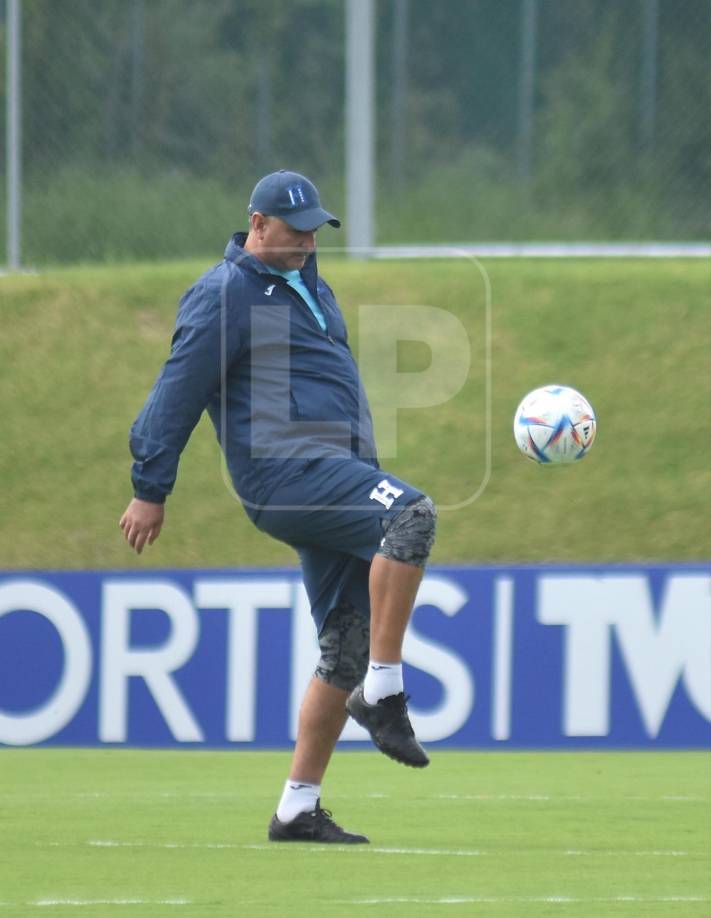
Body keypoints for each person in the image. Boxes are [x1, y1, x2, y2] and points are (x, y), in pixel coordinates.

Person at [119, 170, 437, 844]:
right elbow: (174, 392)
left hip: (333, 473)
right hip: (284, 474)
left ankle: (297, 805)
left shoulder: (309, 282)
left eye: (312, 230)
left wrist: (359, 467)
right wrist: (151, 488)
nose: (303, 242)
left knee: (345, 643)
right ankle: (384, 688)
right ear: (255, 224)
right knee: (409, 516)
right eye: (291, 231)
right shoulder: (225, 292)